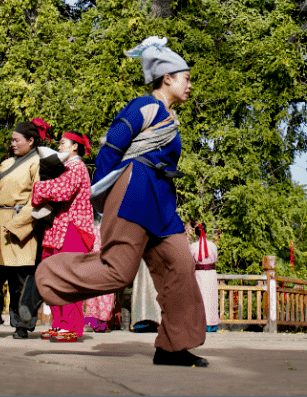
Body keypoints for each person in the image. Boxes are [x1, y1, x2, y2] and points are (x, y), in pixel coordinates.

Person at [35, 36, 208, 368]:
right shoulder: (146, 105)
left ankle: (173, 346)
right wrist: (107, 191)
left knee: (181, 267)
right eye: (186, 78)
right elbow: (112, 148)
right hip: (136, 188)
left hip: (161, 199)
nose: (190, 86)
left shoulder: (171, 118)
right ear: (168, 77)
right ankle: (48, 275)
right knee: (118, 271)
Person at [0, 119, 47, 339]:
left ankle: (22, 325)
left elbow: (38, 198)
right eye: (12, 140)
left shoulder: (38, 163)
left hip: (20, 227)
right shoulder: (6, 164)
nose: (13, 144)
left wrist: (18, 225)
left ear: (31, 140)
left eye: (17, 140)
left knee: (21, 282)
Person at [29, 130, 96, 342]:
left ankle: (70, 327)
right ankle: (59, 324)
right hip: (60, 228)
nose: (59, 146)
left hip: (73, 228)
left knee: (68, 278)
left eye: (63, 142)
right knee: (53, 276)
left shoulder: (76, 167)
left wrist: (38, 187)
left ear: (75, 146)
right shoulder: (65, 168)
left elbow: (62, 191)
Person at [188, 223, 219, 333]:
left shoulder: (192, 246)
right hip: (210, 273)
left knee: (200, 298)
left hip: (199, 273)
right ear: (205, 232)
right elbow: (215, 258)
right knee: (210, 298)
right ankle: (211, 324)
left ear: (196, 234)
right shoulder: (213, 246)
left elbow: (191, 261)